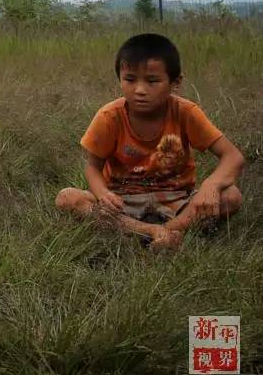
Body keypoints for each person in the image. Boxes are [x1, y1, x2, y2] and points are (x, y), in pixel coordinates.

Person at [56, 33, 244, 250]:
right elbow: (92, 168)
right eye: (130, 79)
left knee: (231, 195)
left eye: (152, 81)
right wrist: (103, 195)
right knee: (67, 198)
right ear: (119, 78)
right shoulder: (110, 116)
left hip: (176, 201)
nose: (140, 90)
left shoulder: (186, 112)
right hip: (123, 202)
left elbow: (233, 156)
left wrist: (210, 186)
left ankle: (161, 230)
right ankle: (158, 232)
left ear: (175, 82)